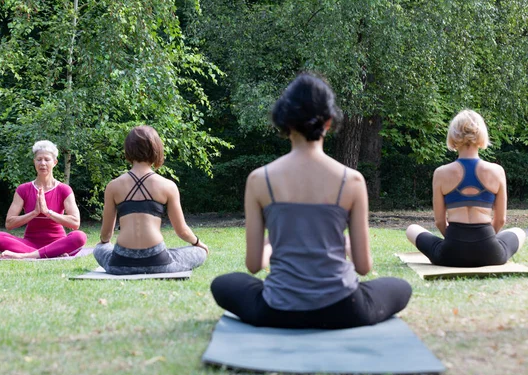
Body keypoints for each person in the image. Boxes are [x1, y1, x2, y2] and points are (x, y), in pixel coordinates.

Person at [210, 73, 411, 329]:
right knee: (401, 287)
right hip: (344, 310)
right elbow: (363, 267)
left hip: (278, 310)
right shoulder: (353, 181)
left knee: (224, 283)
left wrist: (271, 245)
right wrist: (344, 245)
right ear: (328, 121)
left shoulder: (259, 180)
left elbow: (252, 265)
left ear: (285, 121)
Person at [406, 109, 525, 267]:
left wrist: (457, 242)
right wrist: (484, 241)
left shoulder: (441, 173)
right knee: (519, 232)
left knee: (412, 229)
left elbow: (440, 222)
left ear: (453, 136)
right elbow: (501, 219)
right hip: (490, 253)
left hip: (451, 253)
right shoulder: (497, 171)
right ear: (481, 135)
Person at [93, 125, 208, 275]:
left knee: (99, 248)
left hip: (120, 264)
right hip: (158, 261)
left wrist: (103, 244)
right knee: (199, 252)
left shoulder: (113, 186)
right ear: (157, 149)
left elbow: (106, 235)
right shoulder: (168, 186)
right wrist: (199, 244)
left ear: (128, 150)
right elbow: (182, 231)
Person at [0, 140, 87, 259]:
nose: (43, 163)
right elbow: (9, 223)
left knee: (79, 236)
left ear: (55, 162)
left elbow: (75, 223)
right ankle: (50, 254)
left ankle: (27, 256)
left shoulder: (64, 189)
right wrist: (34, 213)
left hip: (57, 243)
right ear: (34, 162)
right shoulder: (23, 189)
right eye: (39, 159)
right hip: (29, 243)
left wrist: (47, 212)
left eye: (47, 159)